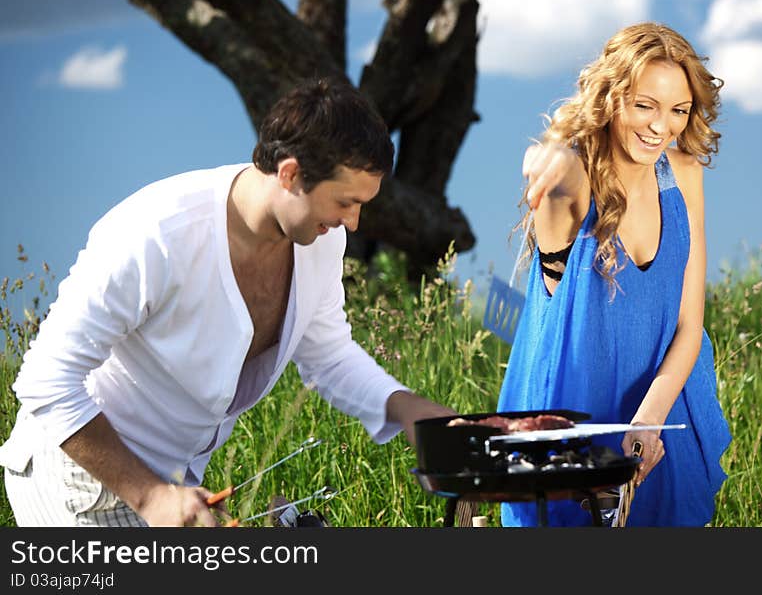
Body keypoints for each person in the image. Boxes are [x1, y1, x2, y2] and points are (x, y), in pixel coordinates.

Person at [0, 76, 455, 527]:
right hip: (80, 480)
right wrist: (151, 495)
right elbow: (46, 381)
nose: (353, 223)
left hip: (175, 488)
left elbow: (328, 354)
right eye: (345, 202)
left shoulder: (320, 240)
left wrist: (405, 406)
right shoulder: (157, 233)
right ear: (291, 173)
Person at [497, 22, 732, 527]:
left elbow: (691, 325)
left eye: (678, 110)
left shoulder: (684, 175)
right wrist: (549, 156)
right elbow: (549, 168)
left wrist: (649, 421)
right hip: (569, 431)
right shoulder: (575, 183)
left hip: (660, 419)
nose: (660, 127)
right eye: (644, 105)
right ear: (611, 99)